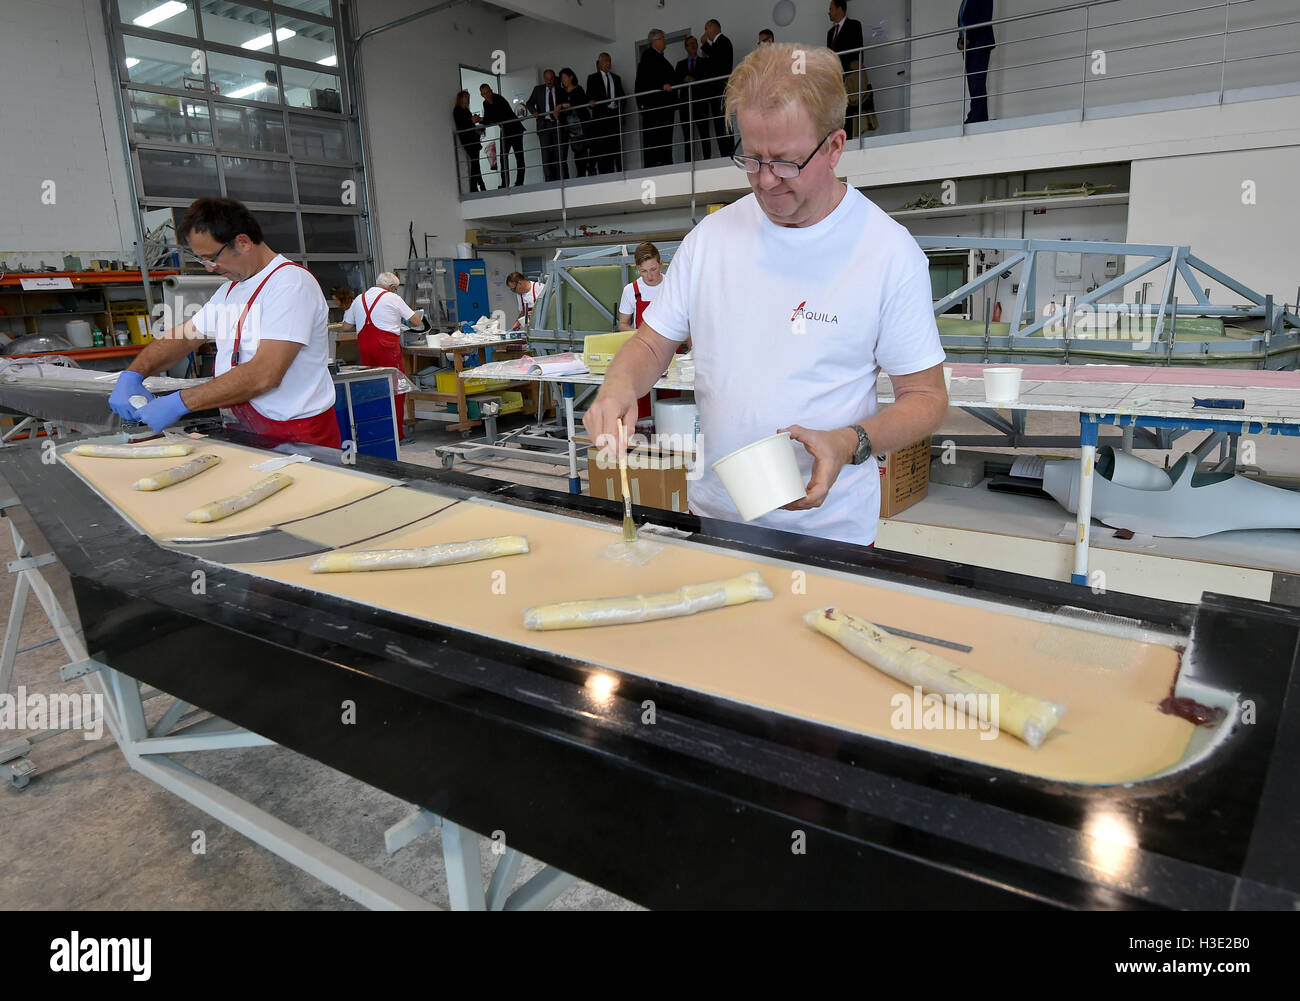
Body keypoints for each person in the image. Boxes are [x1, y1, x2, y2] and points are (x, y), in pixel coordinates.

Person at [582, 43, 947, 548]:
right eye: (751, 159)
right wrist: (618, 389)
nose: (766, 181)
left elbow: (926, 398)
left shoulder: (888, 253)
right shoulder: (710, 240)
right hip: (717, 515)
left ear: (835, 147)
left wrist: (851, 442)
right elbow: (649, 345)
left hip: (830, 529)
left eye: (786, 162)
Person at [108, 197, 341, 448]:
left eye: (212, 257)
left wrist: (181, 402)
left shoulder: (290, 284)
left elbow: (264, 375)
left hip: (297, 436)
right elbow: (186, 336)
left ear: (243, 242)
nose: (209, 268)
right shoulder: (230, 290)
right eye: (202, 260)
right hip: (247, 429)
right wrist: (133, 374)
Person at [340, 271, 422, 440]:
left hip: (365, 348)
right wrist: (401, 320)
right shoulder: (393, 298)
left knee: (373, 389)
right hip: (387, 348)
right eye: (395, 289)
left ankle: (377, 430)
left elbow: (346, 327)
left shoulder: (359, 299)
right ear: (392, 287)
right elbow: (416, 321)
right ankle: (397, 434)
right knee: (397, 389)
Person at [827, 0, 876, 138]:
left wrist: (843, 67)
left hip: (849, 75)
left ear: (839, 8)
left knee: (850, 108)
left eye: (831, 8)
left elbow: (857, 51)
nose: (828, 12)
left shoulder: (854, 25)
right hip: (836, 78)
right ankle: (840, 138)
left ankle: (848, 140)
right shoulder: (830, 32)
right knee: (838, 111)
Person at [635, 30, 677, 169]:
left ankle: (664, 162)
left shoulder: (659, 57)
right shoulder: (648, 56)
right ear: (655, 41)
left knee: (664, 138)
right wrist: (661, 85)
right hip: (656, 107)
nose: (665, 41)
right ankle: (658, 164)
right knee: (656, 138)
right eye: (662, 38)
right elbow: (646, 79)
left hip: (664, 107)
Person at [699, 19, 734, 157]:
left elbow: (717, 62)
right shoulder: (717, 44)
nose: (705, 33)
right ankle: (725, 153)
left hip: (720, 90)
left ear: (712, 28)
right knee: (719, 124)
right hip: (716, 92)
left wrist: (704, 45)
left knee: (722, 124)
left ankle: (727, 153)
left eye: (706, 29)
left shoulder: (723, 41)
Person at [586, 53, 625, 174]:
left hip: (614, 116)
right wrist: (591, 101)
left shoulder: (616, 78)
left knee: (616, 145)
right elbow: (589, 96)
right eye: (606, 61)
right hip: (601, 118)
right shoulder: (593, 78)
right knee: (603, 147)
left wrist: (620, 109)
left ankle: (619, 171)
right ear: (600, 63)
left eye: (609, 61)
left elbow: (622, 96)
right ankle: (605, 173)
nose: (608, 64)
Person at [479, 83, 525, 187]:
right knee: (503, 157)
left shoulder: (499, 99)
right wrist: (481, 120)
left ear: (491, 90)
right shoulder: (485, 103)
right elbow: (488, 120)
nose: (487, 95)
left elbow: (497, 118)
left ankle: (519, 182)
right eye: (484, 93)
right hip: (505, 129)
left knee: (519, 156)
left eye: (488, 92)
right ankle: (505, 183)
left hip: (515, 128)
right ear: (482, 95)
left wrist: (481, 119)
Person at [675, 36, 713, 161]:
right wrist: (683, 80)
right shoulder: (680, 65)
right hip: (685, 105)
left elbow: (708, 81)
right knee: (687, 137)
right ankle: (688, 163)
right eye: (690, 44)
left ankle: (707, 161)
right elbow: (675, 84)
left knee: (704, 135)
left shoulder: (705, 62)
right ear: (685, 47)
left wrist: (695, 80)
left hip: (700, 104)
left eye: (694, 43)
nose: (693, 46)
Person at [958, 0, 995, 124]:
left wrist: (969, 37)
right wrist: (960, 39)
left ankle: (976, 116)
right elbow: (964, 21)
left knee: (977, 83)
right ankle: (980, 116)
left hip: (979, 43)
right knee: (974, 83)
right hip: (969, 45)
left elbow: (985, 17)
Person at [617, 242, 666, 331]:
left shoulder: (672, 286)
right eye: (644, 271)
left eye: (653, 269)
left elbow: (687, 321)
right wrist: (640, 335)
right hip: (643, 343)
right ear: (637, 268)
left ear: (661, 264)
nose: (649, 276)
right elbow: (622, 325)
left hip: (671, 344)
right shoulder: (631, 290)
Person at [527, 69, 564, 181]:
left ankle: (560, 178)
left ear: (554, 78)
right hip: (544, 125)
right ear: (544, 79)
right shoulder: (538, 90)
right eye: (547, 79)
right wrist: (534, 112)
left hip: (557, 124)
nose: (549, 81)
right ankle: (549, 180)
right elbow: (529, 103)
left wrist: (561, 107)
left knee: (559, 153)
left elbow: (565, 104)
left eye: (551, 78)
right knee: (546, 155)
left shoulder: (560, 90)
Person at [556, 67, 592, 178]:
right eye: (562, 79)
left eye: (565, 78)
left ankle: (587, 171)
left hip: (582, 124)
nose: (563, 80)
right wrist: (562, 106)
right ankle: (580, 175)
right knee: (577, 151)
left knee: (584, 149)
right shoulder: (561, 92)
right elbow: (559, 107)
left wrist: (567, 105)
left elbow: (583, 102)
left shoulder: (578, 89)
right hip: (570, 127)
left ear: (571, 77)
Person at [453, 90, 486, 192]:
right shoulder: (457, 110)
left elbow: (470, 125)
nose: (467, 99)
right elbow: (462, 125)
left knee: (475, 163)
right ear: (460, 98)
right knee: (475, 163)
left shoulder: (467, 111)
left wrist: (477, 129)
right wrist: (472, 122)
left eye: (468, 97)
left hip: (473, 138)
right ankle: (477, 186)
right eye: (465, 97)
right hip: (467, 139)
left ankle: (478, 186)